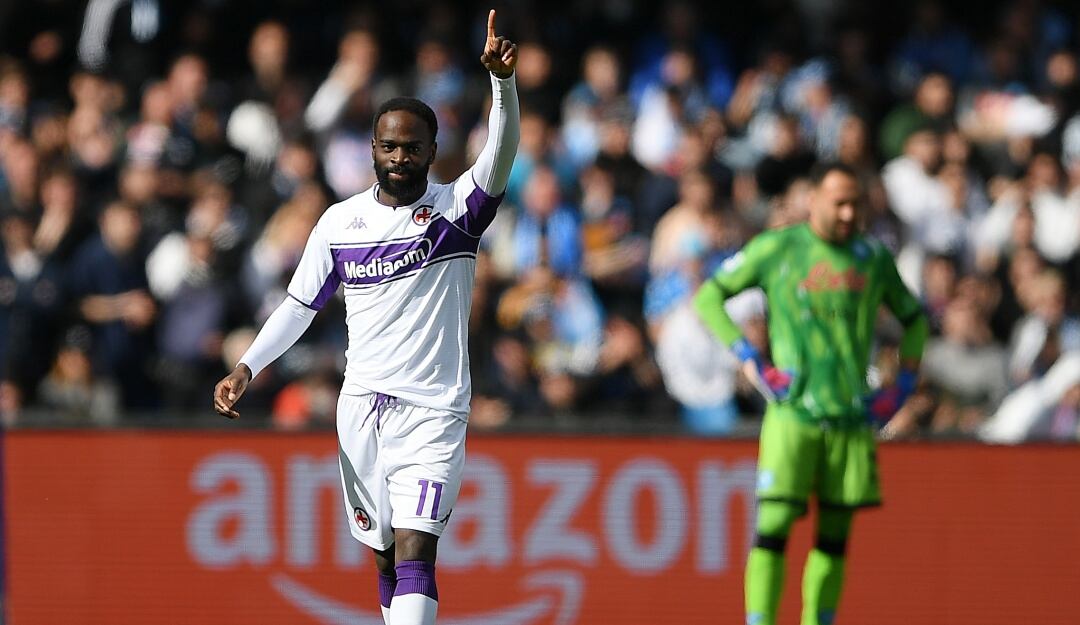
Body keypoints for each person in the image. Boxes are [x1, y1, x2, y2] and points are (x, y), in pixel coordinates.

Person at [212, 11, 519, 625]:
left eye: (413, 147)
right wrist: (247, 367)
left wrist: (501, 84)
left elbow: (502, 149)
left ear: (432, 152)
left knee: (415, 550)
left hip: (433, 411)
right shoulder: (339, 223)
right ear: (373, 150)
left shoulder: (459, 210)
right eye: (389, 146)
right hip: (361, 409)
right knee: (382, 557)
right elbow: (299, 305)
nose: (400, 157)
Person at [692, 162, 929, 625]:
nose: (848, 213)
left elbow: (915, 320)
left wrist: (902, 385)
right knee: (773, 528)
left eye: (855, 204)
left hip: (850, 419)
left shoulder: (872, 258)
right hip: (793, 415)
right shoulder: (779, 248)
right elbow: (709, 297)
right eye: (839, 203)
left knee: (834, 539)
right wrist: (749, 356)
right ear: (813, 199)